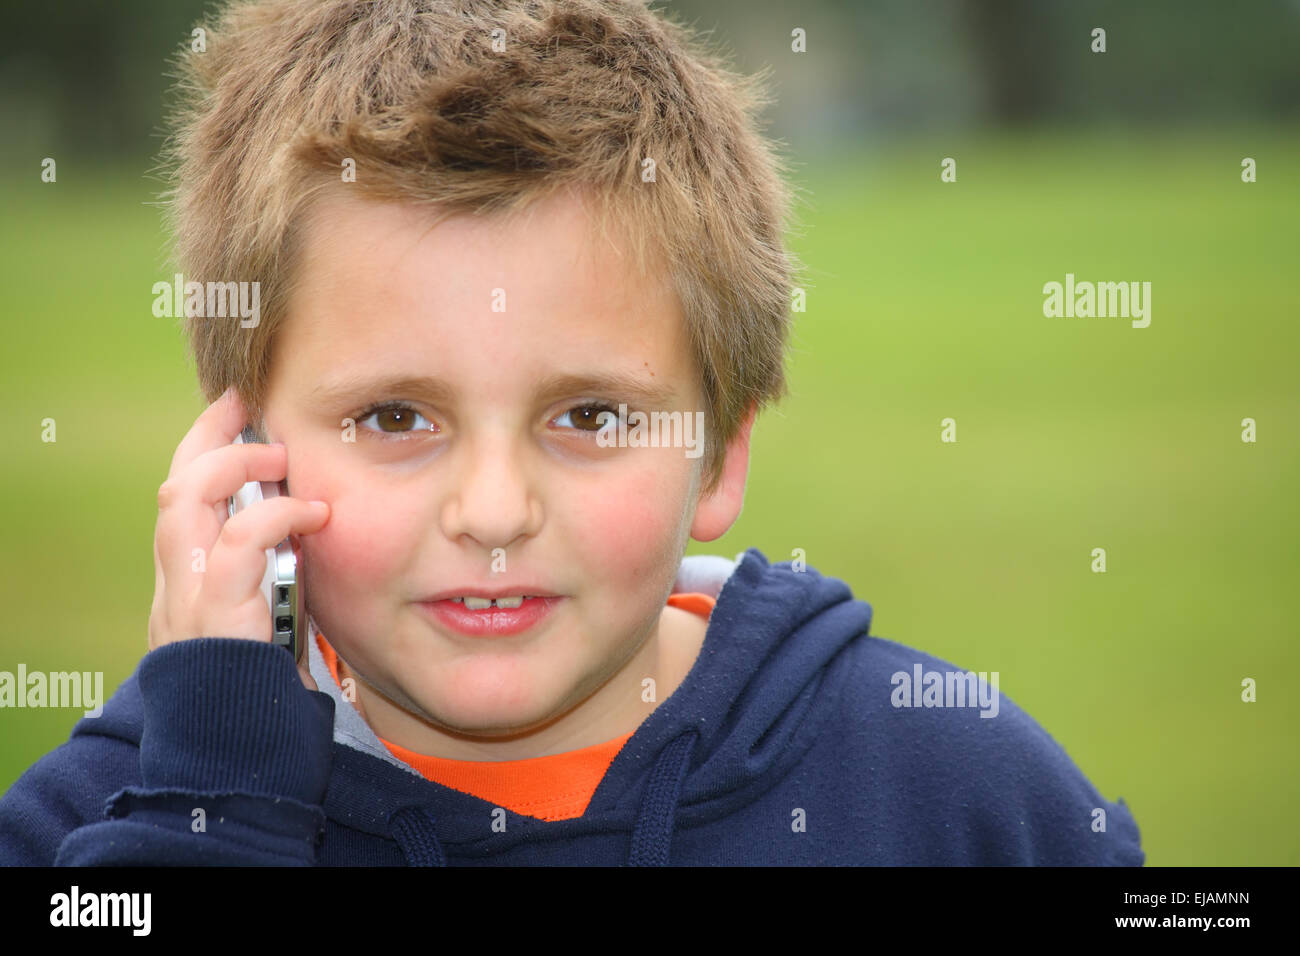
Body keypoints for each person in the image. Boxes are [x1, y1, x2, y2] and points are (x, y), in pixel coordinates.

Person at [0, 0, 1143, 865]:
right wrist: (217, 805)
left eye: (590, 415)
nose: (494, 511)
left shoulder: (961, 795)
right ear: (242, 461)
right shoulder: (99, 822)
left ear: (719, 454)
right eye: (395, 416)